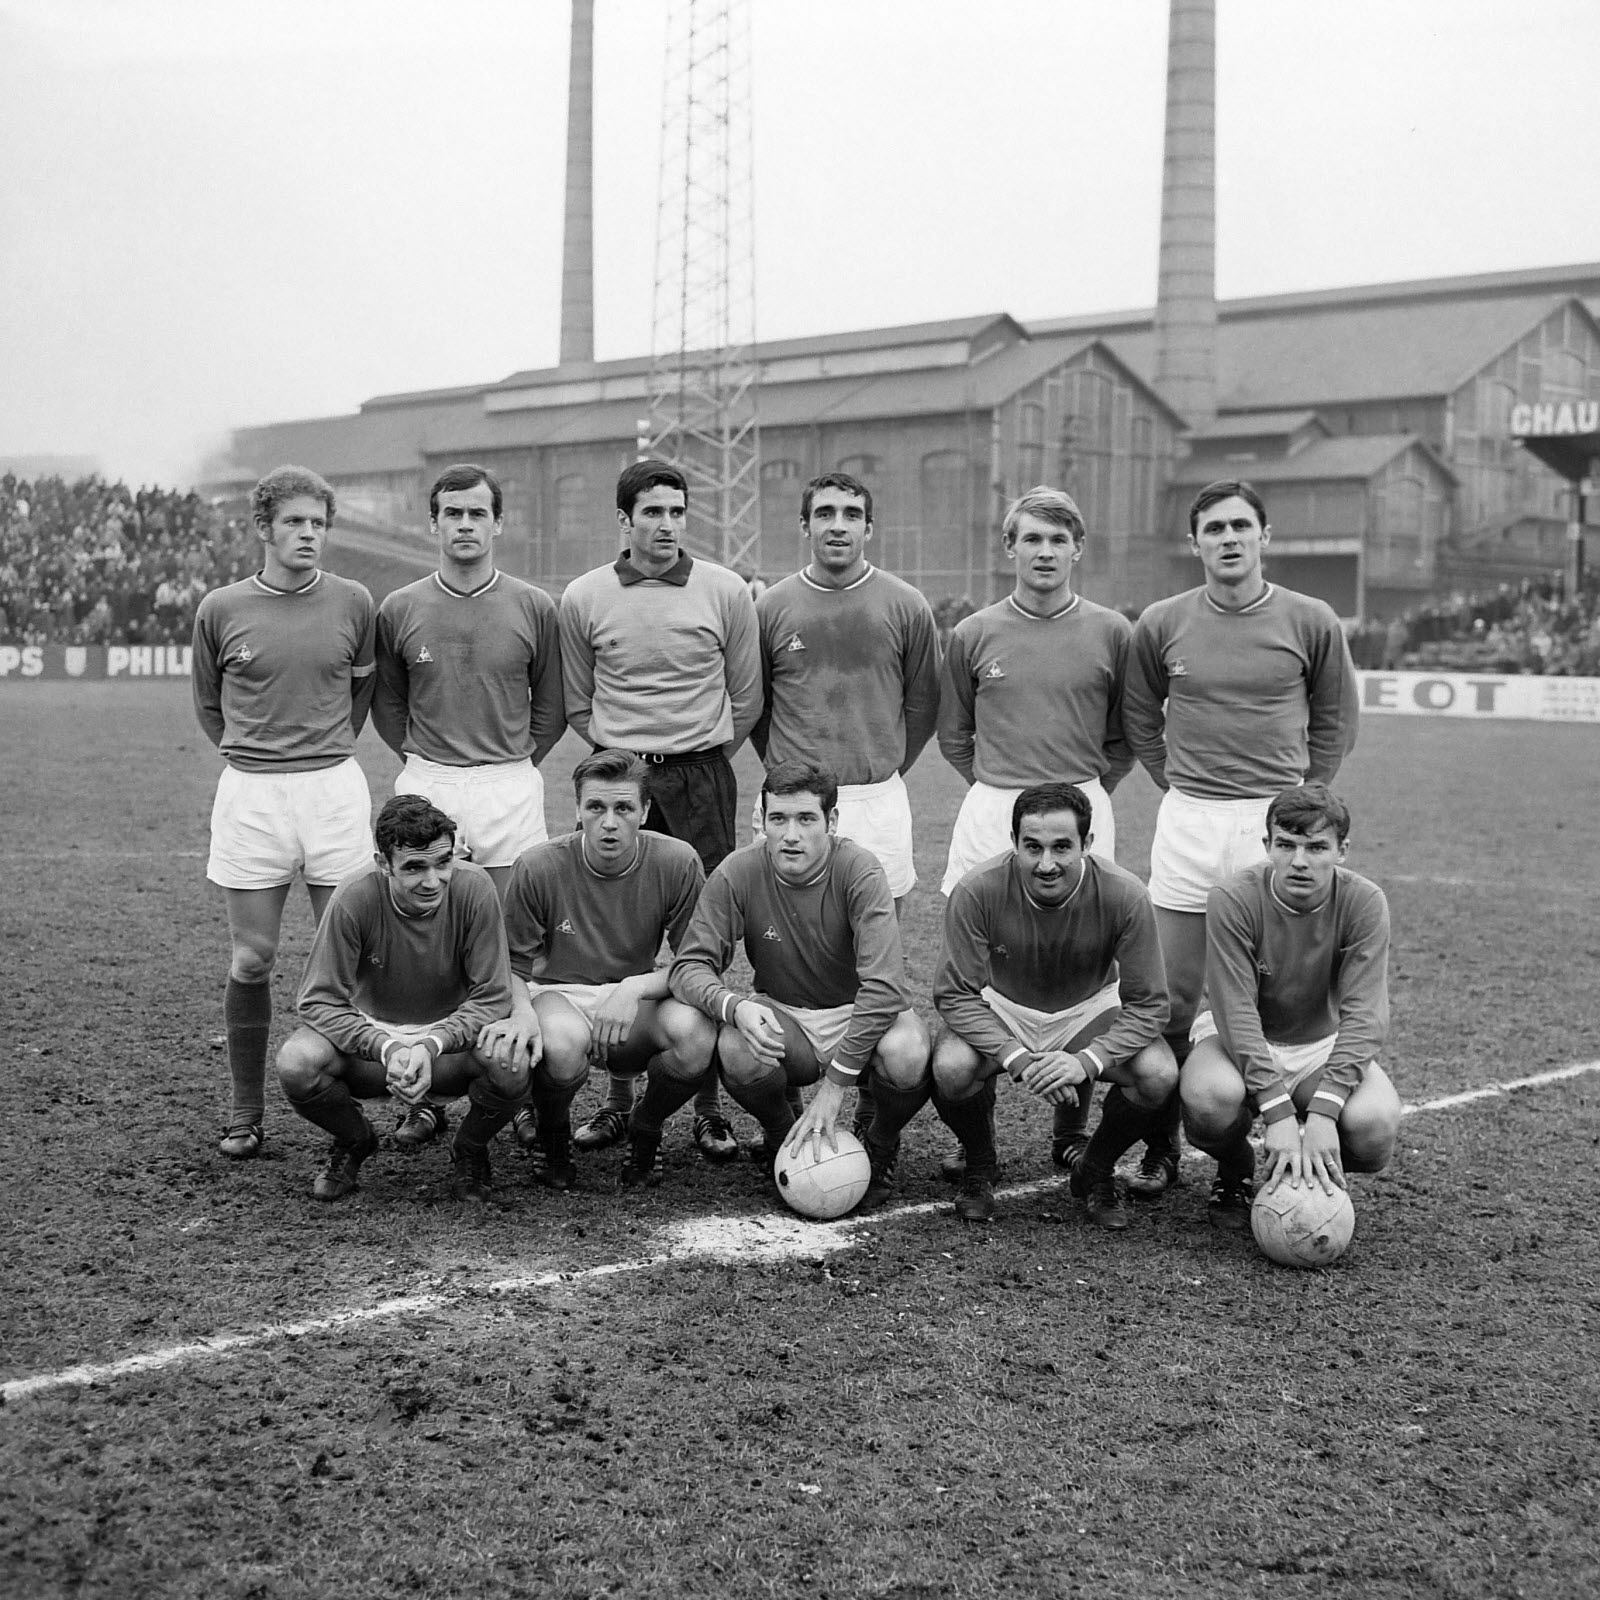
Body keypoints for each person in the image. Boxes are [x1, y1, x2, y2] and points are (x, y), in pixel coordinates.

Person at [1122, 479, 1359, 1201]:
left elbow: (1336, 721)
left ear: (1265, 535)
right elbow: (1139, 719)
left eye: (1240, 526)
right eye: (1213, 529)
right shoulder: (1162, 622)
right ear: (1194, 543)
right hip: (1191, 819)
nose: (1228, 539)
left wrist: (1293, 803)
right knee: (1172, 997)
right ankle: (1163, 1146)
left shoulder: (1310, 619)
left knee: (1267, 992)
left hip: (1274, 826)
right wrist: (1181, 784)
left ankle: (1251, 1145)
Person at [558, 459, 761, 1161]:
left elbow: (746, 696)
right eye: (652, 512)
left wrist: (690, 752)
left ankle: (706, 1107)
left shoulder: (725, 590)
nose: (666, 524)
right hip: (622, 777)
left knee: (705, 935)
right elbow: (578, 700)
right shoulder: (584, 595)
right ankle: (617, 1102)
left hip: (702, 776)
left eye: (677, 511)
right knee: (624, 931)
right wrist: (631, 765)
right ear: (624, 519)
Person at [935, 485, 1134, 1175]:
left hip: (1079, 803)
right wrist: (1000, 785)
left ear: (1077, 549)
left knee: (1081, 962)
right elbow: (954, 734)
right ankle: (977, 1139)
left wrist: (1081, 795)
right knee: (980, 962)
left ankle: (1068, 1125)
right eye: (1031, 538)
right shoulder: (973, 633)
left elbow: (1127, 734)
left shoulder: (1113, 631)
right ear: (1009, 547)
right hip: (994, 801)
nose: (1044, 551)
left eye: (1058, 539)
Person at [373, 463, 565, 1151]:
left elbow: (552, 706)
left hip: (510, 781)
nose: (464, 525)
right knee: (425, 939)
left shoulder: (536, 606)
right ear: (434, 523)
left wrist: (511, 762)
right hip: (429, 780)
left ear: (498, 523)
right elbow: (389, 706)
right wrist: (427, 763)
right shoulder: (398, 607)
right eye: (452, 513)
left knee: (509, 944)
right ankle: (419, 1089)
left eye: (476, 513)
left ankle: (506, 1082)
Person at [191, 465, 376, 1162]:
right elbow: (210, 708)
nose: (308, 535)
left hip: (332, 790)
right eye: (294, 522)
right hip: (253, 794)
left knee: (349, 959)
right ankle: (245, 1113)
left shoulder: (355, 602)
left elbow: (361, 697)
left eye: (318, 524)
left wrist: (319, 751)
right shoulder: (220, 608)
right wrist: (260, 757)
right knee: (253, 956)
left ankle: (349, 1117)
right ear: (263, 527)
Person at [668, 760, 931, 1204]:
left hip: (858, 1011)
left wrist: (833, 1090)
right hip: (787, 1013)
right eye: (778, 819)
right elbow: (688, 966)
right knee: (736, 1043)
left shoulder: (860, 870)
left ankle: (881, 1142)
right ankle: (781, 1134)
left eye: (806, 819)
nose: (791, 834)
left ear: (830, 821)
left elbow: (884, 988)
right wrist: (736, 1006)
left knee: (908, 1051)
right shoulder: (739, 871)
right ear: (763, 821)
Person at [930, 782, 1176, 1226]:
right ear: (1014, 843)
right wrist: (1017, 1057)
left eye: (1062, 847)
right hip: (1003, 1007)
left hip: (1088, 1012)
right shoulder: (977, 889)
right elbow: (954, 994)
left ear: (1088, 844)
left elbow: (1151, 1004)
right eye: (1033, 847)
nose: (1046, 864)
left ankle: (1094, 1171)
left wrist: (1089, 1060)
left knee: (1157, 1074)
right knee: (951, 1066)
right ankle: (981, 1166)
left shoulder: (1125, 894)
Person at [274, 795, 528, 1203]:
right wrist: (386, 1046)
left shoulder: (476, 887)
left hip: (450, 1046)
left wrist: (431, 1044)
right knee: (296, 1062)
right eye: (413, 867)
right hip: (372, 1043)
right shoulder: (353, 897)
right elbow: (318, 1000)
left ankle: (470, 1149)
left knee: (510, 1060)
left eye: (442, 862)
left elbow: (493, 995)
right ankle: (354, 1139)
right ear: (383, 863)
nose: (432, 880)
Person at [1179, 784, 1399, 1226]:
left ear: (1343, 851)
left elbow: (1366, 1015)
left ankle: (1303, 1169)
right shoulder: (1232, 897)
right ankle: (1237, 1164)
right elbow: (1234, 1009)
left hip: (1319, 1045)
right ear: (1268, 846)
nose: (1300, 860)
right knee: (1208, 1102)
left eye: (1317, 847)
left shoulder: (1364, 901)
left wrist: (1323, 1110)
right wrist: (1277, 1112)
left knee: (1375, 1130)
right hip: (1234, 1039)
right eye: (1287, 845)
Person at [497, 749, 717, 1189]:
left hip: (636, 997)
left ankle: (645, 1126)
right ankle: (553, 1133)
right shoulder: (537, 866)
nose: (609, 822)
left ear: (646, 811)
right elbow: (513, 968)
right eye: (596, 807)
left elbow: (698, 962)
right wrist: (522, 1015)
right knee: (560, 1045)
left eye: (624, 808)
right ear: (577, 809)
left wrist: (635, 986)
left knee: (695, 1032)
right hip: (558, 994)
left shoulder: (677, 861)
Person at [750, 470, 941, 911]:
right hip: (793, 800)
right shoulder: (771, 607)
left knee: (879, 934)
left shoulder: (906, 604)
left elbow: (924, 705)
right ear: (804, 525)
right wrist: (786, 769)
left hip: (875, 797)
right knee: (786, 934)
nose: (839, 524)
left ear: (868, 528)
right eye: (825, 513)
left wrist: (882, 761)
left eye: (852, 514)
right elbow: (757, 708)